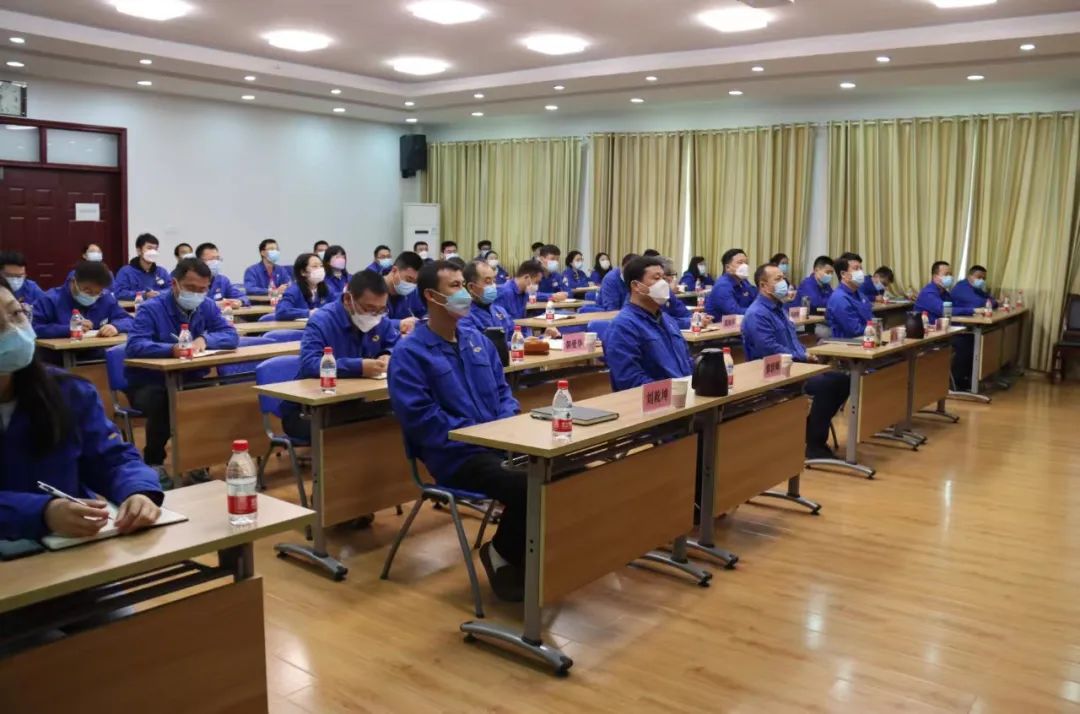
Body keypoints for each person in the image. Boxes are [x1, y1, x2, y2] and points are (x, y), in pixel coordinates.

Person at [388, 260, 525, 601]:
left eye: (464, 284)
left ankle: (536, 556)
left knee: (560, 471)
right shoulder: (410, 353)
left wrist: (505, 425)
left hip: (498, 442)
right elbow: (423, 419)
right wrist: (477, 436)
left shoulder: (477, 340)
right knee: (527, 486)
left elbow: (503, 392)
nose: (464, 292)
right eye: (454, 286)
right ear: (431, 296)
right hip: (455, 455)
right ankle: (502, 555)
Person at [0, 276, 164, 542]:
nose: (13, 330)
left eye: (16, 314)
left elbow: (110, 457)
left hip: (72, 543)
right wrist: (42, 513)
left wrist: (138, 491)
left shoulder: (67, 391)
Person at [124, 258, 238, 469]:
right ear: (174, 283)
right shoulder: (151, 308)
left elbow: (231, 335)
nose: (196, 294)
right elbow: (135, 345)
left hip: (190, 376)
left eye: (202, 289)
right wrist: (170, 350)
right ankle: (154, 462)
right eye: (191, 288)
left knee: (213, 397)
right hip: (149, 381)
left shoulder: (207, 305)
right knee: (166, 401)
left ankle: (199, 462)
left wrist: (205, 339)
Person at [742, 263, 851, 460]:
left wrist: (806, 354)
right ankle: (814, 443)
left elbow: (792, 341)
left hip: (795, 367)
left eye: (783, 278)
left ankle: (809, 431)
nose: (783, 282)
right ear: (763, 285)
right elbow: (769, 349)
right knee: (829, 385)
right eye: (777, 279)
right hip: (773, 373)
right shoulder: (757, 313)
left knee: (842, 380)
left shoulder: (779, 308)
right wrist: (802, 357)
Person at [280, 271, 400, 441]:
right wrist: (358, 367)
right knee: (363, 430)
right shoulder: (322, 321)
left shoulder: (379, 319)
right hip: (309, 410)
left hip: (356, 402)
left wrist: (388, 354)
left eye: (381, 310)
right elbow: (310, 364)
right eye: (369, 309)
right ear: (348, 300)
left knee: (392, 419)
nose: (375, 316)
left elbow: (397, 345)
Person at [603, 256, 694, 391]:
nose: (663, 284)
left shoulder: (668, 320)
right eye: (656, 278)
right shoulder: (623, 326)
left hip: (684, 392)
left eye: (664, 278)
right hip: (657, 398)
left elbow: (686, 361)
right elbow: (629, 380)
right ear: (636, 286)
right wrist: (672, 392)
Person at [33, 261, 133, 342]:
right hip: (60, 356)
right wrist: (68, 329)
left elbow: (129, 320)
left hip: (97, 353)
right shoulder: (50, 300)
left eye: (97, 292)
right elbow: (34, 328)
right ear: (73, 282)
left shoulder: (105, 298)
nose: (92, 296)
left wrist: (116, 327)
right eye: (87, 291)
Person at [916, 261, 977, 390]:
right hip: (929, 334)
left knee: (971, 339)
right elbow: (944, 310)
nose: (950, 277)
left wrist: (973, 309)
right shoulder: (928, 293)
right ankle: (955, 383)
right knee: (964, 343)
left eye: (950, 274)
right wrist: (972, 310)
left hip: (943, 330)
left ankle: (964, 379)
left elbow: (955, 307)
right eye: (946, 274)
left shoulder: (944, 293)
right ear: (935, 276)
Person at [495, 260, 561, 338]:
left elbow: (522, 324)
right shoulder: (505, 293)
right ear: (526, 277)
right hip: (511, 340)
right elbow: (503, 328)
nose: (537, 286)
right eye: (536, 282)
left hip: (521, 337)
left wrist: (542, 337)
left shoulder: (524, 292)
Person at [460, 259, 517, 343]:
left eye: (494, 281)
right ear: (471, 287)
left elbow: (515, 338)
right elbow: (480, 346)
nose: (493, 286)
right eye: (488, 282)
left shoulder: (500, 311)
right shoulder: (463, 316)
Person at [825, 254, 874, 338]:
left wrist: (876, 327)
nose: (861, 272)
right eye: (856, 269)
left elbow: (872, 319)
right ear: (843, 274)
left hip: (867, 338)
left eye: (861, 268)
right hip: (848, 343)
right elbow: (854, 330)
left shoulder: (861, 295)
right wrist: (874, 329)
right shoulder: (839, 298)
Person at [113, 234, 171, 301]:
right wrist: (143, 295)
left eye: (155, 249)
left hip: (157, 306)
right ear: (139, 251)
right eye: (149, 248)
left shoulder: (161, 272)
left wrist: (159, 293)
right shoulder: (126, 272)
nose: (153, 252)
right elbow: (119, 293)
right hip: (134, 307)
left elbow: (171, 290)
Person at [705, 248, 757, 319]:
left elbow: (756, 300)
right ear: (727, 267)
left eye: (746, 263)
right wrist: (758, 312)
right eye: (740, 262)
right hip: (720, 324)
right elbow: (734, 311)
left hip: (742, 322)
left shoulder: (744, 282)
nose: (745, 266)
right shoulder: (722, 286)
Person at [660, 258, 711, 330]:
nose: (671, 279)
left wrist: (698, 318)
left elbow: (683, 311)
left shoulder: (669, 293)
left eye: (673, 275)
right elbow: (664, 322)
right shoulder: (688, 276)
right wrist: (691, 321)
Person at [276, 253, 331, 320]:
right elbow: (281, 312)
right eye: (315, 266)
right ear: (303, 272)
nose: (320, 269)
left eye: (321, 266)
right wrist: (308, 313)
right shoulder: (294, 290)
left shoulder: (327, 289)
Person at [195, 242, 249, 308]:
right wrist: (216, 305)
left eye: (217, 259)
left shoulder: (222, 280)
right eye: (212, 259)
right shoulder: (192, 281)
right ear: (199, 261)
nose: (216, 262)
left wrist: (240, 302)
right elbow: (191, 304)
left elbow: (243, 297)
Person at [384, 251, 425, 333]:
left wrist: (425, 320)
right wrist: (400, 324)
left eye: (415, 282)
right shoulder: (372, 289)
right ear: (394, 270)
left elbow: (423, 312)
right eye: (409, 279)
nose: (411, 285)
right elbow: (373, 324)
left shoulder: (412, 291)